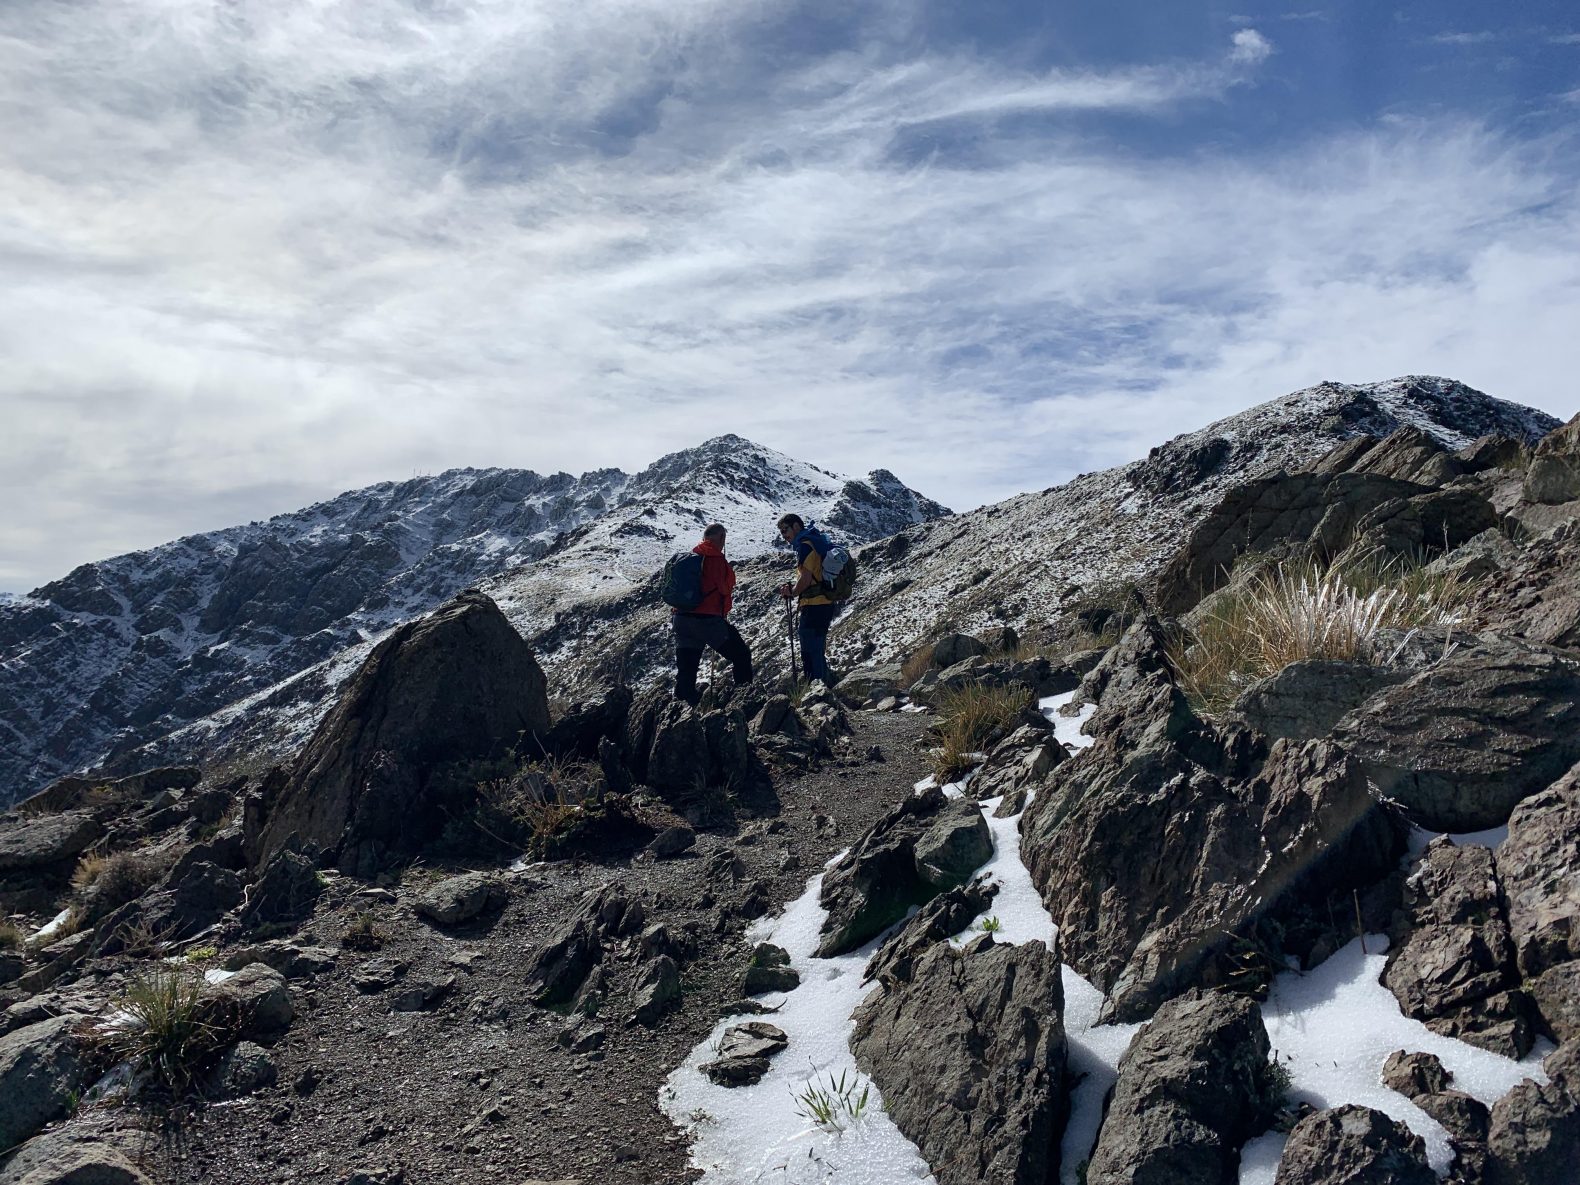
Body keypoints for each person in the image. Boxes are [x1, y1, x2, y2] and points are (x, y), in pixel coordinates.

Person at [672, 523, 753, 705]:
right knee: (741, 655)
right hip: (707, 621)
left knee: (686, 671)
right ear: (722, 538)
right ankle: (745, 702)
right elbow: (725, 588)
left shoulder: (689, 558)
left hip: (681, 619)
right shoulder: (716, 560)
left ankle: (678, 715)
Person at [775, 513, 838, 685]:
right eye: (781, 533)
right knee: (817, 648)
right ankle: (824, 687)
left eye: (785, 530)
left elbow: (806, 578)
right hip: (825, 603)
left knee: (809, 650)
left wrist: (793, 592)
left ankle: (817, 690)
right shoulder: (815, 541)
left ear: (796, 526)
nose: (784, 536)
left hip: (813, 604)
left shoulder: (805, 545)